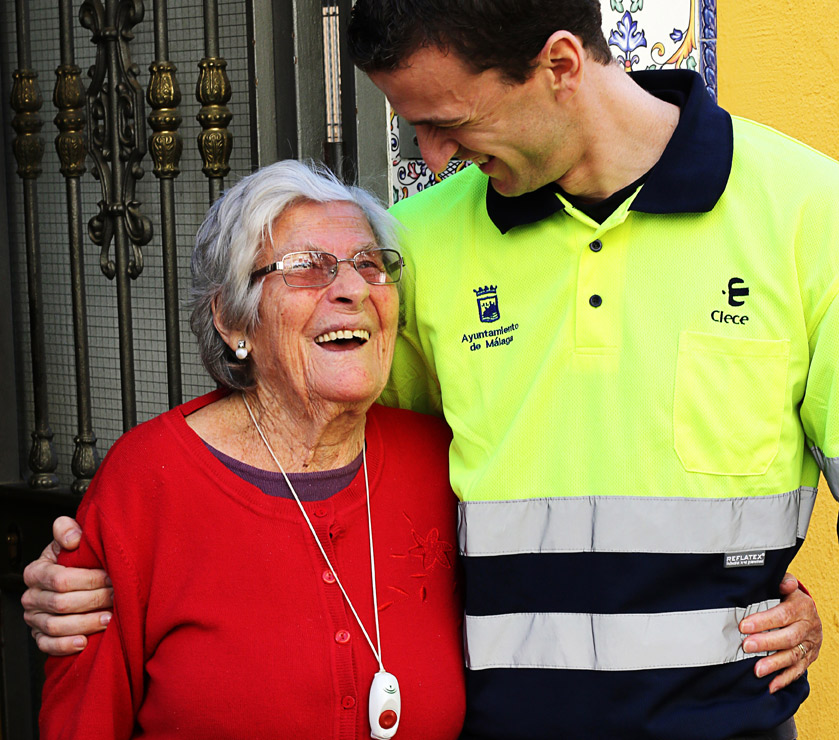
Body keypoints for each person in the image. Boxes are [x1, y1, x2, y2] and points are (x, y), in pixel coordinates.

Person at [22, 2, 831, 739]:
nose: (432, 155)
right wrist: (116, 569)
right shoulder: (413, 245)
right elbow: (316, 447)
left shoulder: (807, 213)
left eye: (446, 121)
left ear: (558, 66)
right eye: (413, 126)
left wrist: (792, 607)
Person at [36, 159, 466, 739]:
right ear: (232, 318)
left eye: (370, 264)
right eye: (307, 268)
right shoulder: (148, 481)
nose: (353, 289)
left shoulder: (439, 461)